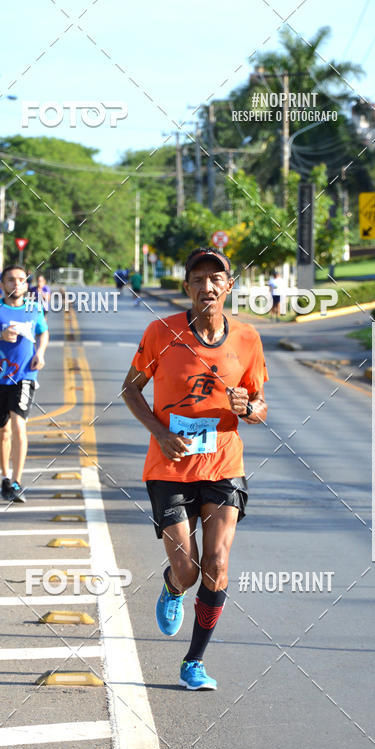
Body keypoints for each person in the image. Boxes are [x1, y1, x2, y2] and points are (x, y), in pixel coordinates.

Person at [121, 247, 268, 690]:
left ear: (229, 287)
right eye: (198, 279)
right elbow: (130, 389)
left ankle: (194, 662)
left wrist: (249, 408)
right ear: (186, 286)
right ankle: (172, 586)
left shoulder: (246, 338)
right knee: (188, 569)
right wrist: (160, 432)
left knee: (218, 562)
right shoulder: (160, 332)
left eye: (215, 279)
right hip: (170, 465)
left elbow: (260, 406)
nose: (207, 287)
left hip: (224, 463)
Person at [0, 264, 49, 503]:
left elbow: (43, 331)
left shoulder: (34, 308)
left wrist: (40, 352)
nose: (16, 283)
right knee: (2, 431)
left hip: (25, 377)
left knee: (19, 425)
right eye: (10, 280)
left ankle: (17, 481)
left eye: (21, 279)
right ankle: (5, 477)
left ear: (26, 285)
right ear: (2, 285)